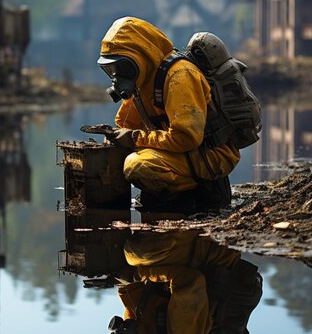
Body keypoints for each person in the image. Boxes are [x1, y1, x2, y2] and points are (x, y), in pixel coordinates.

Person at [97, 16, 240, 212]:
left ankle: (189, 195)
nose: (116, 74)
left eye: (121, 67)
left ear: (142, 54)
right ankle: (168, 190)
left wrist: (134, 138)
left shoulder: (179, 76)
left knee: (137, 167)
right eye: (111, 69)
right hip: (185, 151)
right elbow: (125, 124)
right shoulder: (144, 80)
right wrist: (116, 138)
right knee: (117, 153)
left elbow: (186, 137)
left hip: (208, 154)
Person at [103, 230, 262, 334]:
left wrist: (109, 276)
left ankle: (172, 197)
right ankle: (192, 206)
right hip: (213, 253)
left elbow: (130, 290)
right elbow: (190, 281)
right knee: (137, 253)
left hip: (186, 260)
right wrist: (141, 274)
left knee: (110, 255)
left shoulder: (140, 329)